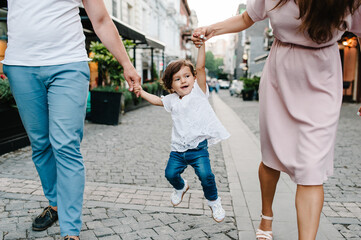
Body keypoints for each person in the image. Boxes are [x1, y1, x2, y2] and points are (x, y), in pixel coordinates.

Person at [192, 0, 361, 239]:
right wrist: (211, 30)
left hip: (323, 77)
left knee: (312, 168)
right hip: (280, 75)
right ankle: (266, 215)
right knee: (272, 156)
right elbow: (246, 18)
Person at [2, 0, 141, 239]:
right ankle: (55, 204)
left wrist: (126, 63)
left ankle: (71, 230)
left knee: (65, 145)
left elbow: (101, 20)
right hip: (21, 66)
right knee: (40, 144)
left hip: (68, 65)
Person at [133, 42, 230, 223]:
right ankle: (181, 186)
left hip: (198, 148)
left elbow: (200, 67)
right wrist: (142, 91)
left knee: (206, 176)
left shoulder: (199, 93)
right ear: (171, 85)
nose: (183, 80)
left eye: (187, 76)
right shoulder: (172, 100)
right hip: (178, 150)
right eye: (177, 79)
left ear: (194, 78)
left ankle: (214, 201)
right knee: (170, 174)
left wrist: (202, 45)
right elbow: (156, 101)